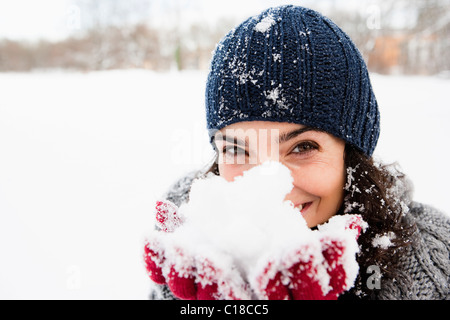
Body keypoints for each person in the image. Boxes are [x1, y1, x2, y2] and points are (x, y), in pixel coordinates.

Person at [146, 5, 449, 300]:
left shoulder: (435, 264)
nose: (269, 186)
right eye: (236, 149)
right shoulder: (186, 246)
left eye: (302, 147)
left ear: (353, 156)